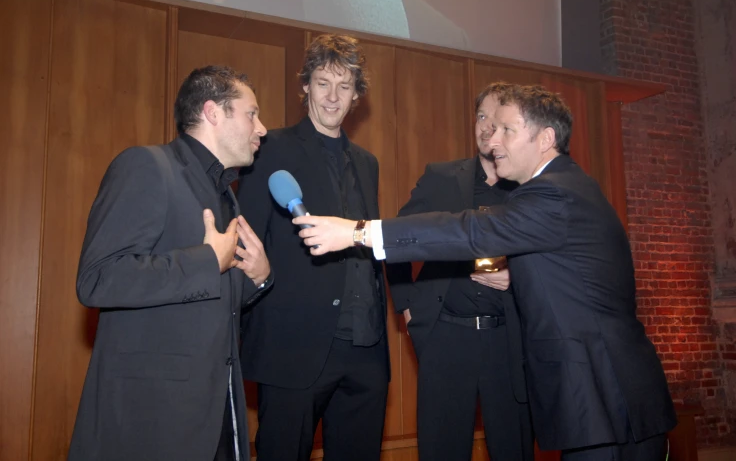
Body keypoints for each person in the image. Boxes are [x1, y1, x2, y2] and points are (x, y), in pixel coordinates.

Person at [293, 84, 678, 461]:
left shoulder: (553, 193)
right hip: (607, 397)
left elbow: (469, 231)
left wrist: (357, 231)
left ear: (545, 138)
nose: (495, 139)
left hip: (604, 397)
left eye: (508, 130)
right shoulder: (569, 185)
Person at [68, 65, 272, 461]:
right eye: (252, 113)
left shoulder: (226, 195)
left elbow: (205, 301)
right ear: (214, 113)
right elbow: (97, 279)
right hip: (153, 422)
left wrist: (258, 278)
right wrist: (207, 261)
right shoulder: (146, 166)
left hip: (216, 416)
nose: (261, 128)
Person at [237, 34, 389, 461]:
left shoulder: (368, 163)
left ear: (356, 94)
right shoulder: (270, 149)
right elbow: (244, 240)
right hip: (294, 347)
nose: (332, 96)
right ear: (305, 85)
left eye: (345, 86)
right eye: (323, 82)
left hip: (367, 350)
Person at [386, 82, 533, 460]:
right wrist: (405, 305)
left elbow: (552, 256)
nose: (486, 127)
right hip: (447, 337)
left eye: (497, 119)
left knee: (513, 448)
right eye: (481, 116)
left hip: (508, 339)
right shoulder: (442, 177)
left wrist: (517, 278)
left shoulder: (530, 187)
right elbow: (396, 237)